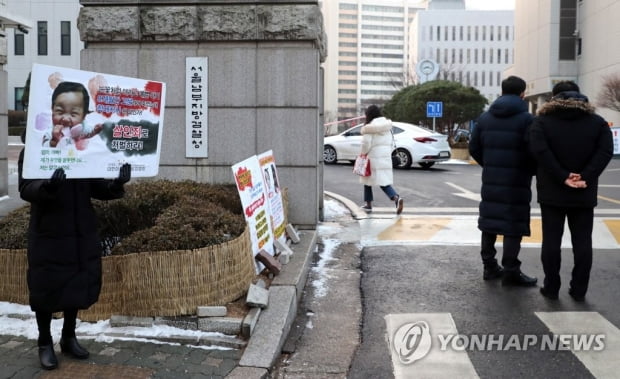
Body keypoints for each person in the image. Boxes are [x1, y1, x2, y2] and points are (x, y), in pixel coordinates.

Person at [18, 132, 131, 370]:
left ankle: (69, 336)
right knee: (46, 287)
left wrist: (116, 183)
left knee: (76, 284)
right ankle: (44, 342)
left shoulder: (80, 148)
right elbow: (26, 188)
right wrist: (47, 186)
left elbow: (96, 186)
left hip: (81, 231)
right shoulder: (33, 150)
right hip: (49, 233)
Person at [529, 81, 613, 301]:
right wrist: (584, 176)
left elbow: (540, 151)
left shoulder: (541, 122)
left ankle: (551, 287)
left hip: (552, 191)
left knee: (551, 241)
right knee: (583, 241)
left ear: (554, 98)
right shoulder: (598, 122)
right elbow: (605, 152)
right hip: (583, 191)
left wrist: (562, 176)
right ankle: (579, 290)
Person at [469, 75, 538, 286]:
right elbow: (534, 150)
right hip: (517, 179)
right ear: (522, 94)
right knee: (512, 225)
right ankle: (511, 271)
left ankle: (489, 267)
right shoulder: (528, 120)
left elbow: (474, 148)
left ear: (501, 91)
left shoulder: (485, 118)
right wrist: (529, 170)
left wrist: (489, 164)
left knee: (489, 222)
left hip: (491, 178)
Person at [359, 105, 404, 215]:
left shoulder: (369, 128)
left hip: (372, 158)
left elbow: (366, 144)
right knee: (383, 181)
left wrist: (362, 154)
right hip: (385, 157)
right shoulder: (387, 126)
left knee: (367, 180)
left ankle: (371, 204)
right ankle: (395, 198)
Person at [42, 81, 103, 150]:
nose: (65, 119)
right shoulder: (51, 130)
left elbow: (88, 133)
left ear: (84, 116)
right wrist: (54, 141)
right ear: (52, 109)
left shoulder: (82, 127)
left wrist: (95, 131)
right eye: (60, 112)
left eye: (73, 114)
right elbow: (43, 147)